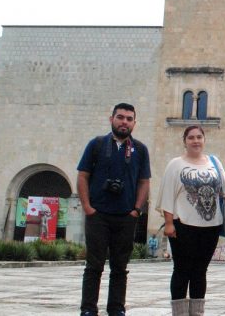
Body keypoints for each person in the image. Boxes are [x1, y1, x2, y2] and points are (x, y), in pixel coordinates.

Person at [77, 103, 151, 316]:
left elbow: (144, 181)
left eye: (129, 119)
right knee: (94, 266)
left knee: (120, 267)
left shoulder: (140, 149)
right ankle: (89, 309)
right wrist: (87, 207)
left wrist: (136, 210)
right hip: (98, 214)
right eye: (120, 117)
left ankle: (117, 308)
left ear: (134, 123)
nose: (124, 122)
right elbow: (83, 176)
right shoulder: (97, 145)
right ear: (111, 119)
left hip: (125, 216)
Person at [157, 125, 225, 316]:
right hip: (183, 225)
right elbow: (167, 194)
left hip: (211, 226)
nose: (196, 140)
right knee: (182, 270)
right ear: (185, 141)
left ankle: (197, 313)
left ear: (204, 139)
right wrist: (168, 223)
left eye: (199, 137)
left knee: (200, 271)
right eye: (191, 137)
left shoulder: (215, 162)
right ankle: (180, 313)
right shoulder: (175, 164)